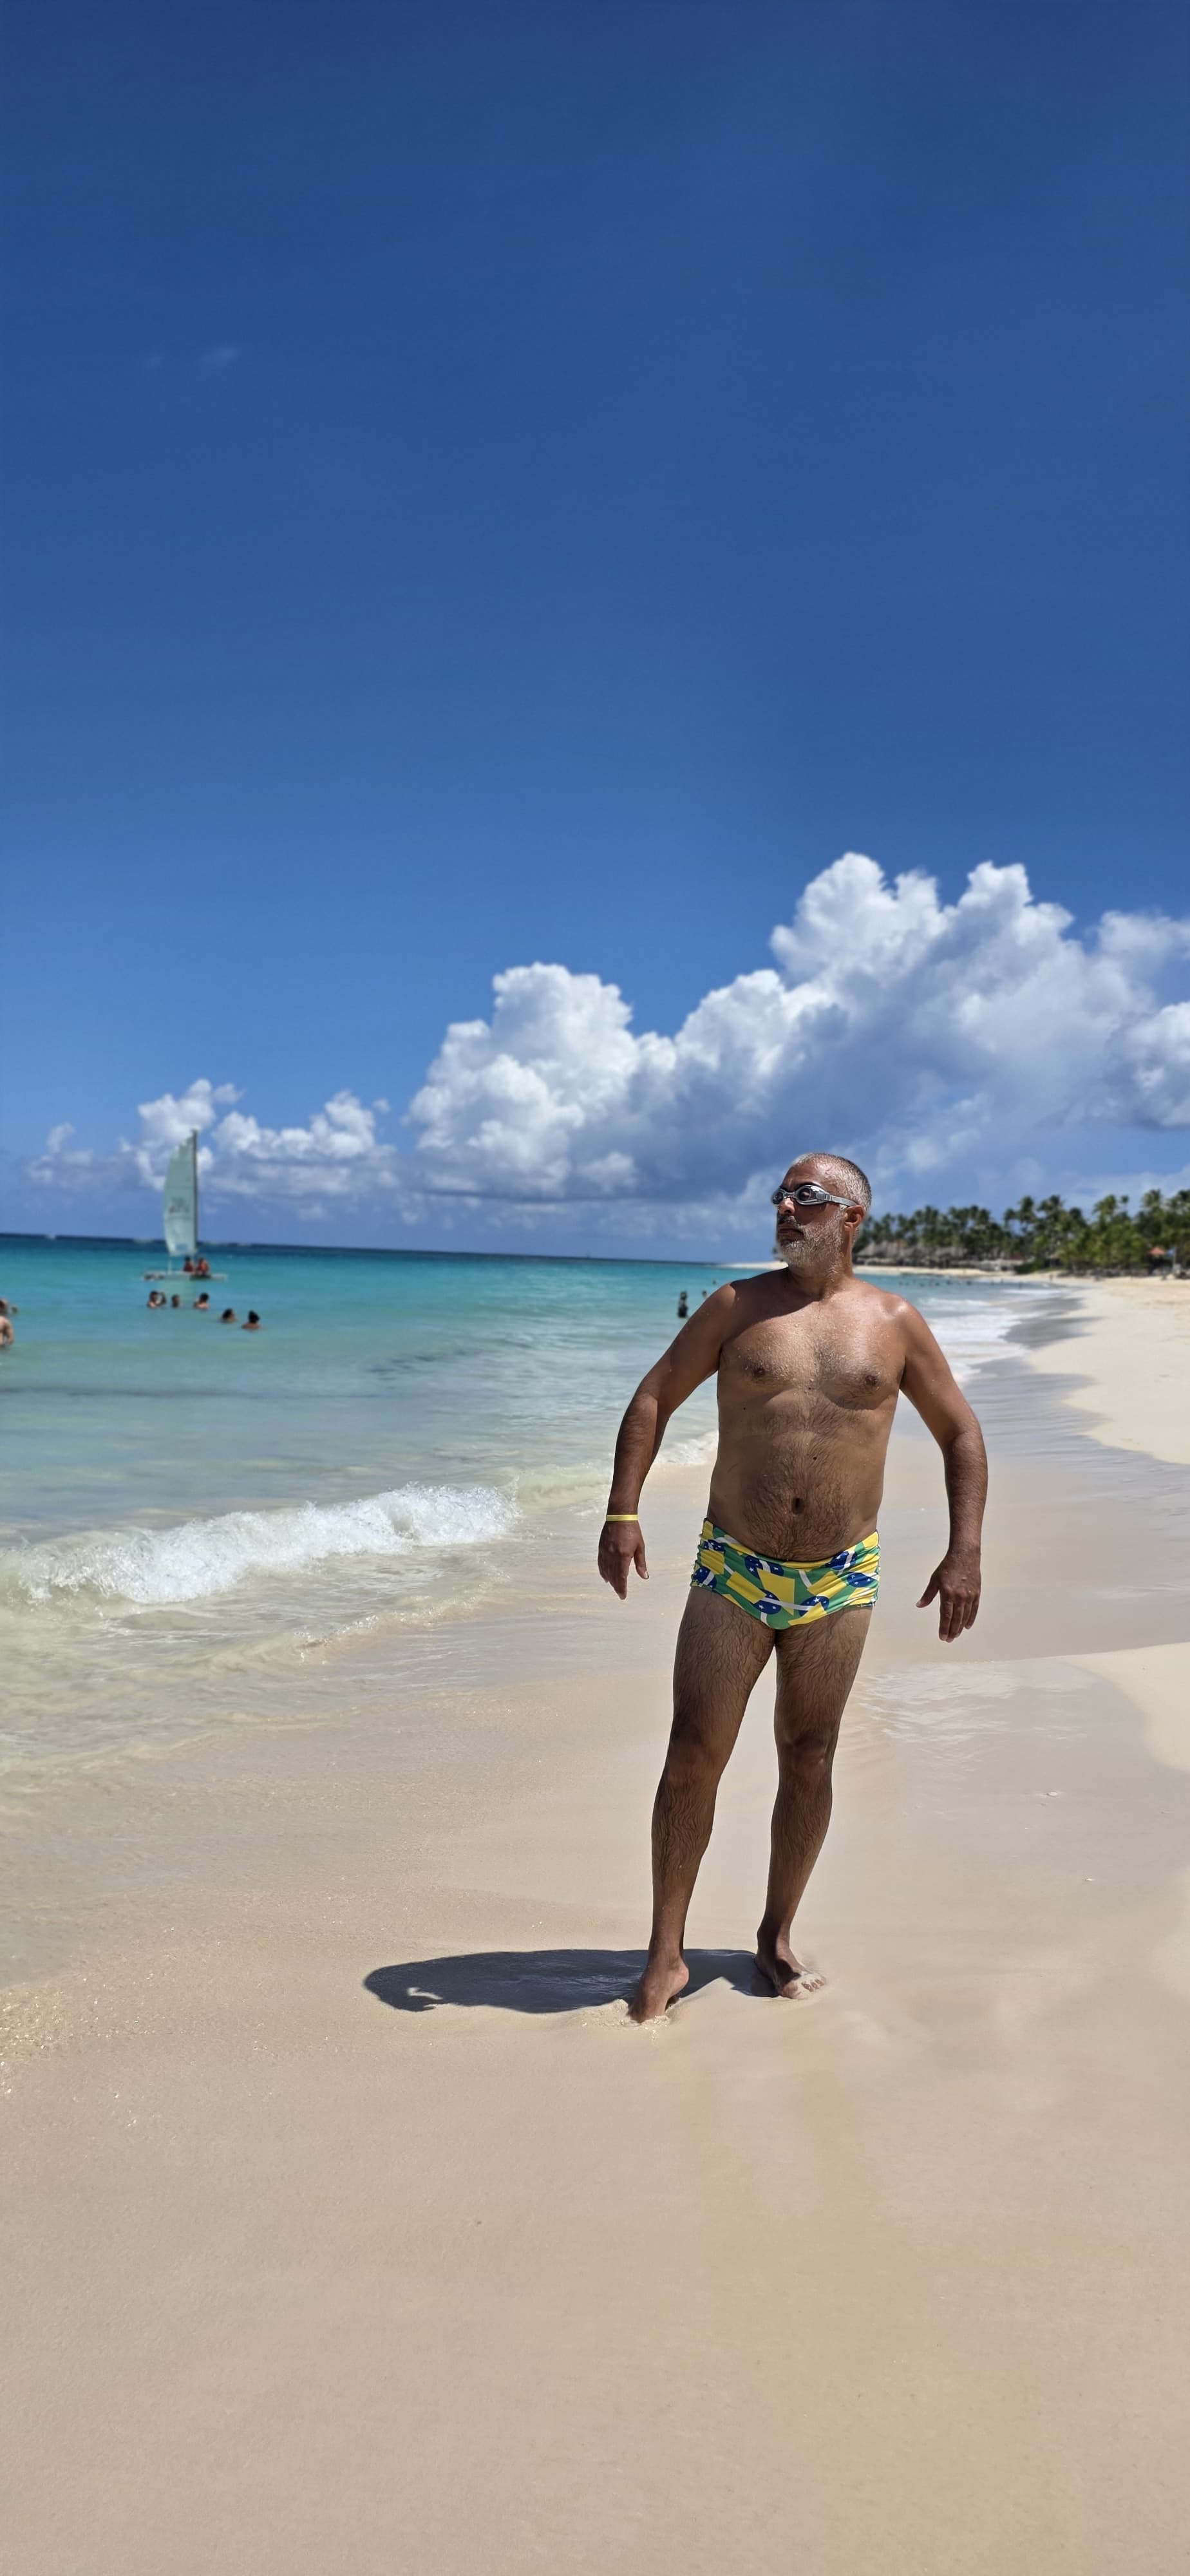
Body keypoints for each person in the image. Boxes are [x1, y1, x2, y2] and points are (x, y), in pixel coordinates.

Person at [598, 1150, 987, 2023]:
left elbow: (961, 1432)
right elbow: (655, 1396)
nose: (783, 1206)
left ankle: (774, 1937)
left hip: (841, 1577)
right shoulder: (737, 1307)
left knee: (808, 1757)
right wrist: (622, 1514)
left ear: (850, 1217)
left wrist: (964, 1550)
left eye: (803, 1197)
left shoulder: (894, 1322)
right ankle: (667, 1954)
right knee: (694, 1752)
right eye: (779, 1194)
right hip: (734, 1566)